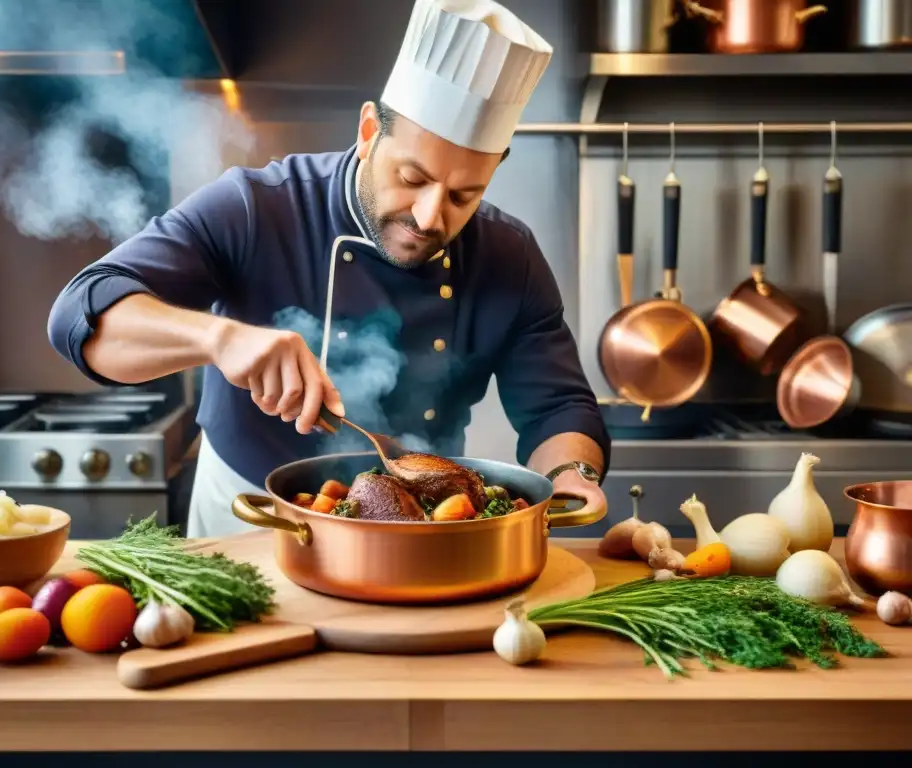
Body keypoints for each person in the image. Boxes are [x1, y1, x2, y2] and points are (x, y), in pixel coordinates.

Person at [47, 0, 611, 537]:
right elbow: (81, 313)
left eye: (464, 195)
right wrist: (219, 339)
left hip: (429, 531)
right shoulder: (258, 206)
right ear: (369, 132)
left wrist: (573, 476)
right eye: (412, 179)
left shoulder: (509, 255)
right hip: (249, 519)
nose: (429, 215)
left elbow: (558, 408)